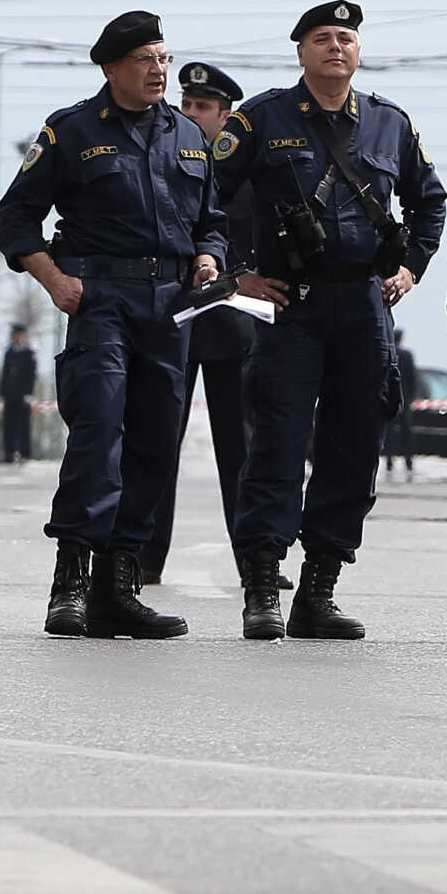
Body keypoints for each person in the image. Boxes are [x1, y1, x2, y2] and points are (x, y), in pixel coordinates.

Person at [209, 1, 447, 640]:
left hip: (363, 306)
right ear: (301, 52)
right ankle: (261, 589)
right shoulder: (260, 119)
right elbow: (205, 201)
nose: (335, 47)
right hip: (291, 307)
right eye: (322, 38)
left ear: (359, 50)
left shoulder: (389, 123)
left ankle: (319, 589)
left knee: (354, 446)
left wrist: (412, 269)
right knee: (278, 445)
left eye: (345, 38)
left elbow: (431, 201)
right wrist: (238, 277)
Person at [0, 11, 225, 639]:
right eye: (146, 60)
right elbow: (15, 218)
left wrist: (210, 256)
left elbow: (212, 219)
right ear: (112, 67)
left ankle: (118, 588)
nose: (158, 71)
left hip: (171, 306)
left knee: (154, 443)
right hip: (102, 300)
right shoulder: (71, 131)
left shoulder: (186, 134)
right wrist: (53, 279)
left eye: (163, 59)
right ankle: (69, 583)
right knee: (99, 431)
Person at [146, 60, 279, 589]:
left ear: (226, 117)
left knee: (240, 450)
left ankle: (254, 561)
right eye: (188, 104)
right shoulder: (164, 162)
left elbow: (261, 244)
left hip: (231, 325)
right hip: (171, 320)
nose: (192, 113)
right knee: (157, 441)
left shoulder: (247, 174)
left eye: (204, 107)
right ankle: (142, 557)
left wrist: (245, 278)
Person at [0, 324, 38, 465]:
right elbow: (4, 374)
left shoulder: (29, 353)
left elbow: (32, 375)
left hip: (23, 395)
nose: (15, 337)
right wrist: (1, 392)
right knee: (8, 424)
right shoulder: (9, 352)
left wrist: (29, 393)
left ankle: (24, 452)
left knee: (23, 425)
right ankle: (8, 453)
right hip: (10, 395)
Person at [384, 344, 420, 481]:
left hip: (388, 397)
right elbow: (412, 377)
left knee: (389, 433)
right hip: (404, 399)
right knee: (406, 434)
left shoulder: (387, 352)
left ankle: (389, 462)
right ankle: (408, 462)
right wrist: (411, 396)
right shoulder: (406, 355)